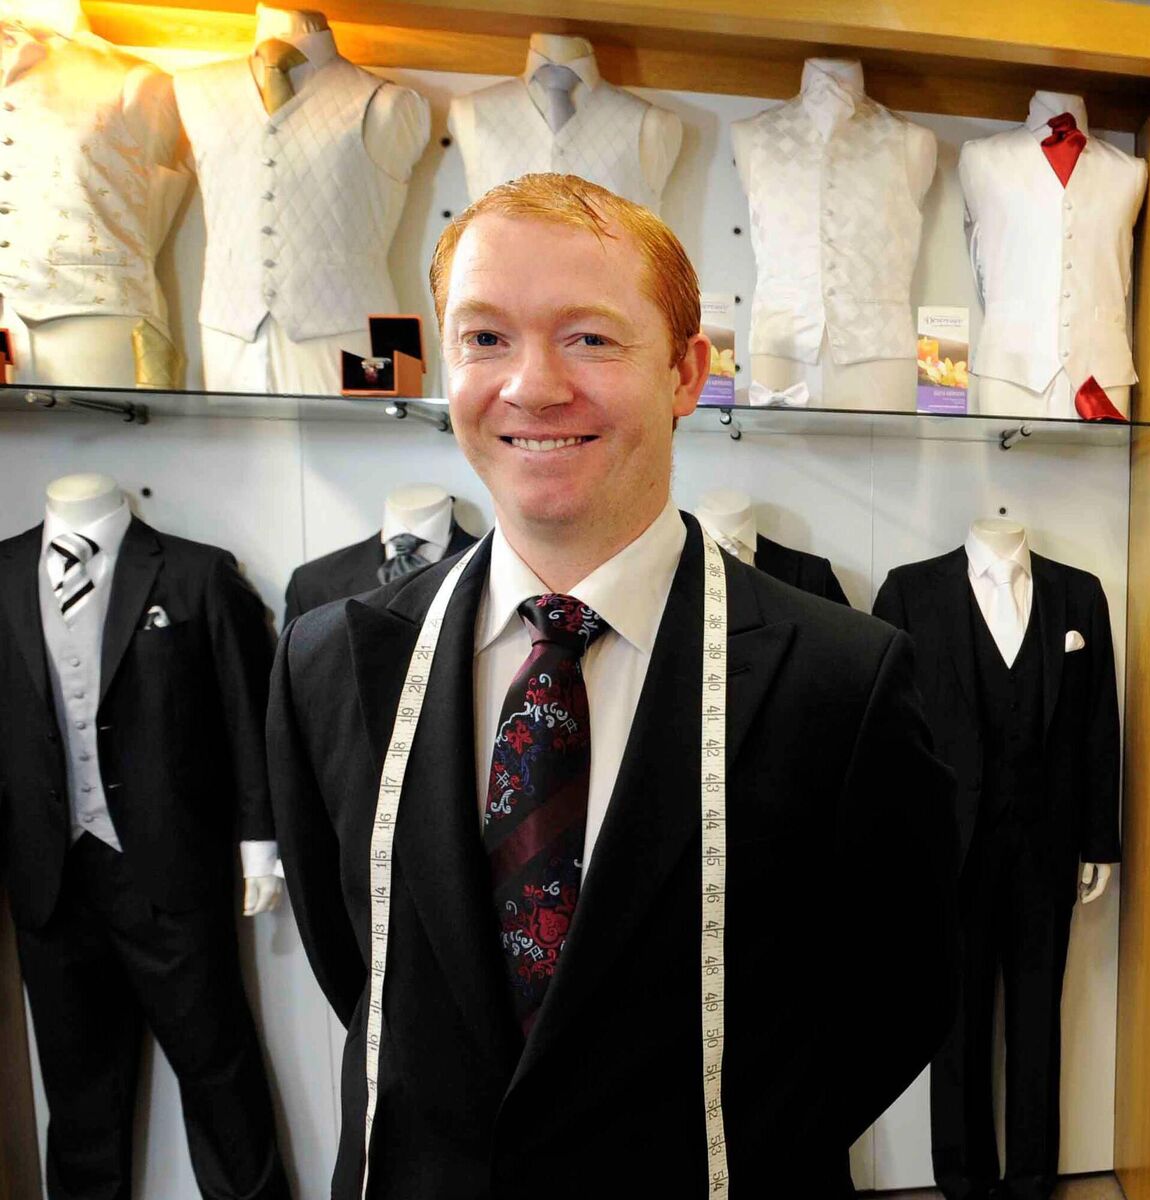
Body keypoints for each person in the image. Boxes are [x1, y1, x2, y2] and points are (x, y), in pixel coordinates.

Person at [268, 172, 960, 1199]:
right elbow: (357, 965)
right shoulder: (329, 660)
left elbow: (898, 996)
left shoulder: (839, 681)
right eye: (484, 338)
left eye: (589, 337)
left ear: (685, 373)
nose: (532, 385)